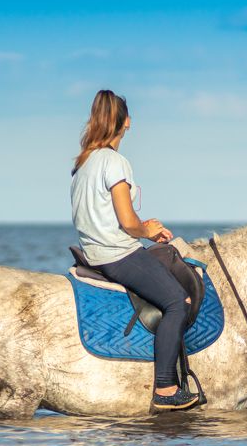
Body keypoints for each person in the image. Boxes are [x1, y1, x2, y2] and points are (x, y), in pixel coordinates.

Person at [70, 90, 199, 411]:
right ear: (126, 122)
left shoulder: (82, 164)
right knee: (177, 302)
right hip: (118, 254)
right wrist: (149, 230)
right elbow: (128, 223)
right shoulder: (115, 162)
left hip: (94, 253)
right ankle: (166, 389)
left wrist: (145, 230)